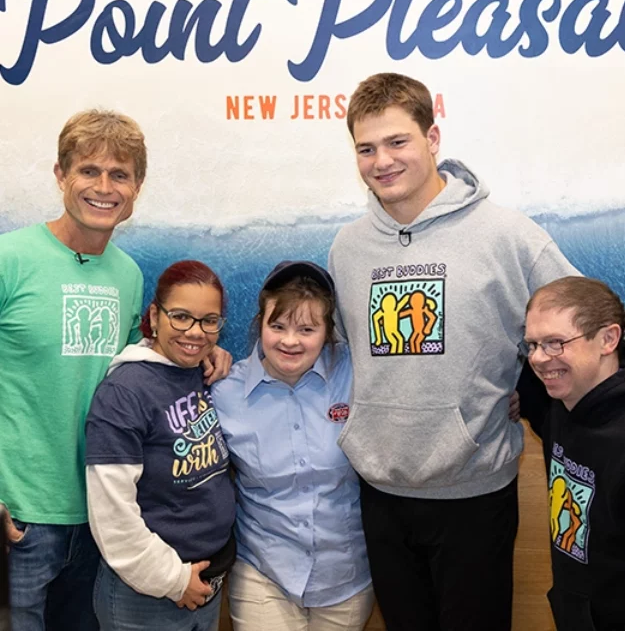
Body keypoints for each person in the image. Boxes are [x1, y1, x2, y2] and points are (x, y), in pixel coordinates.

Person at [327, 72, 625, 630]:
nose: (381, 160)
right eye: (366, 148)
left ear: (432, 140)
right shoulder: (348, 246)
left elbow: (601, 321)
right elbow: (335, 348)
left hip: (474, 491)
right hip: (380, 489)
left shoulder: (507, 235)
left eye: (397, 142)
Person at [0, 110, 230, 631]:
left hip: (103, 522)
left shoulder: (127, 275)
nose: (103, 188)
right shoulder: (8, 259)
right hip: (20, 521)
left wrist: (205, 354)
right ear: (61, 176)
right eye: (88, 171)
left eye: (119, 175)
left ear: (137, 187)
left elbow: (142, 364)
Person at [211, 261, 374, 631]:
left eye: (307, 329)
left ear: (328, 332)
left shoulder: (356, 372)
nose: (290, 341)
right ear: (260, 324)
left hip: (346, 576)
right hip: (264, 572)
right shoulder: (224, 390)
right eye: (278, 326)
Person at [85, 260, 236, 631]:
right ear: (155, 314)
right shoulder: (124, 392)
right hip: (148, 598)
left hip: (206, 585)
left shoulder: (201, 372)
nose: (195, 332)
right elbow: (112, 514)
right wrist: (172, 580)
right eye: (181, 317)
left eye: (209, 321)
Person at [517, 276, 625, 630]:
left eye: (555, 343)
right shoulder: (561, 406)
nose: (538, 358)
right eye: (532, 344)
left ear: (608, 339)